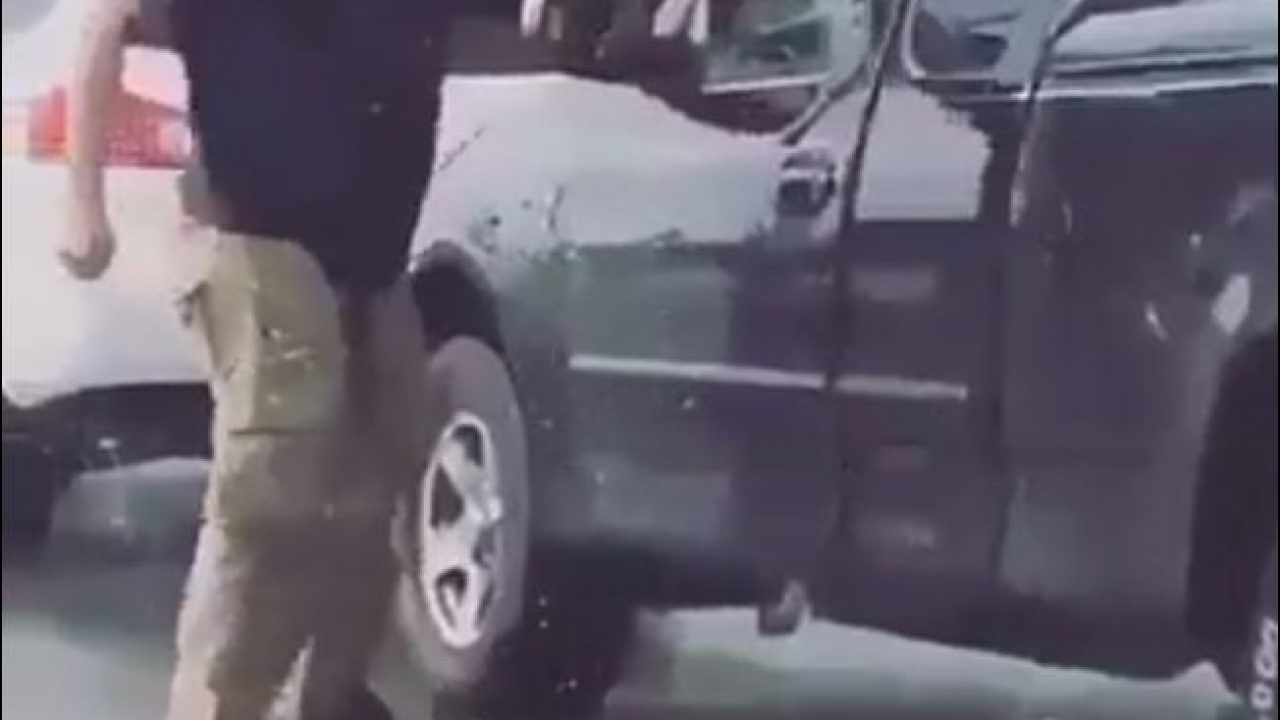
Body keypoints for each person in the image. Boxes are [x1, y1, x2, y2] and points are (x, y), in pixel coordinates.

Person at [65, 0, 450, 717]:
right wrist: (84, 207)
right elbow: (110, 19)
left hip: (375, 261)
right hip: (256, 238)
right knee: (274, 502)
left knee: (381, 487)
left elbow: (517, 33)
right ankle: (219, 703)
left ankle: (326, 697)